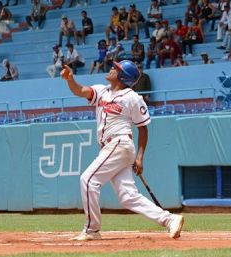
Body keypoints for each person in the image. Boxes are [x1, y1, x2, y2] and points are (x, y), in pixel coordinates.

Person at [60, 60, 184, 241]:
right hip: (111, 148)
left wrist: (140, 157)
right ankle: (170, 219)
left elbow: (143, 128)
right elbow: (80, 91)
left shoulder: (132, 97)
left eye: (116, 68)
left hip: (119, 143)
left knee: (88, 180)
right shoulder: (103, 91)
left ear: (123, 76)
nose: (111, 68)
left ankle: (91, 230)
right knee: (128, 197)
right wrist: (70, 79)